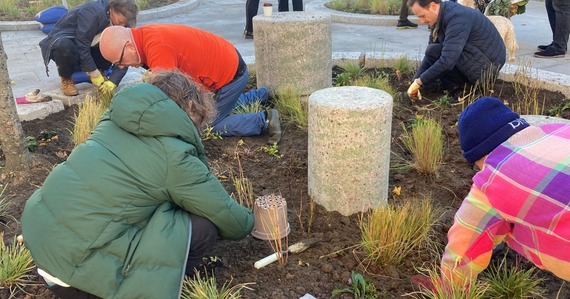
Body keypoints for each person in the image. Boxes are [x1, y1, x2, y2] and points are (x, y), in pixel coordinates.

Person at [21, 69, 254, 299]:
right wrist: (254, 219)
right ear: (191, 108)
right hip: (79, 278)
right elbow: (234, 223)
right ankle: (155, 286)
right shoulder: (174, 156)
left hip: (43, 247)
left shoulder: (111, 122)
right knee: (202, 227)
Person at [419, 97, 570, 291]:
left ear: (480, 155)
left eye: (476, 167)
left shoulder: (492, 180)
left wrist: (449, 287)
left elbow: (461, 252)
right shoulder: (561, 129)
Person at [98, 24, 281, 144]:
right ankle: (262, 94)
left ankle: (264, 120)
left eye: (120, 61)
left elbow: (169, 103)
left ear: (129, 46)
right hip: (229, 65)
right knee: (216, 106)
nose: (122, 66)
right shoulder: (145, 37)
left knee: (206, 124)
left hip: (229, 77)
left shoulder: (157, 50)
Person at [406, 0, 506, 100]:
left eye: (422, 16)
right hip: (476, 59)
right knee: (433, 51)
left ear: (433, 6)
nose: (422, 21)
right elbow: (430, 55)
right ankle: (454, 85)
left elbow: (447, 61)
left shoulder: (457, 18)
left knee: (438, 53)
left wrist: (420, 82)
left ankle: (461, 89)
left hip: (486, 69)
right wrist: (415, 81)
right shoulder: (441, 16)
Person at [39, 0, 138, 96]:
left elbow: (125, 52)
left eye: (124, 23)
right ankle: (66, 78)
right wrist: (93, 73)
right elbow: (82, 44)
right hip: (71, 41)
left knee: (112, 42)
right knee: (64, 47)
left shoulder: (125, 23)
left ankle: (101, 70)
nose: (122, 25)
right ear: (111, 9)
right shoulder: (92, 13)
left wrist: (114, 81)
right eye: (119, 21)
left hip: (93, 44)